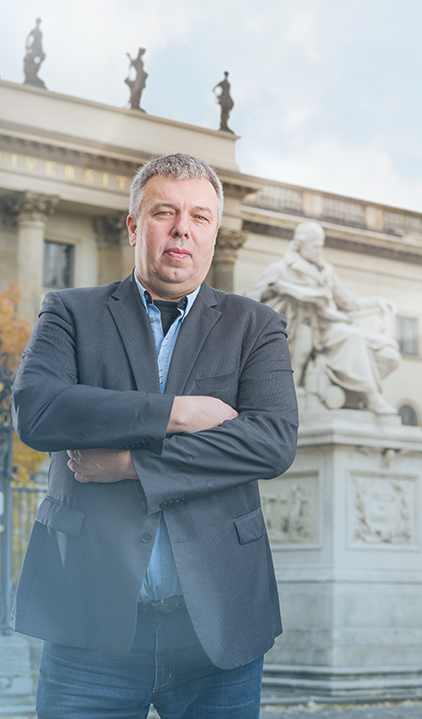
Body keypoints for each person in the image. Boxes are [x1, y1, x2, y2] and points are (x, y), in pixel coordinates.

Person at [11, 153, 298, 719]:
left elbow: (271, 441)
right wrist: (178, 413)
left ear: (214, 232)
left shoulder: (255, 326)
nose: (182, 229)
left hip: (218, 628)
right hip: (90, 624)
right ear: (134, 225)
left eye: (199, 216)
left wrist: (130, 466)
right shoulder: (70, 312)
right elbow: (38, 410)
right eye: (165, 212)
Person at [246, 220, 400, 415]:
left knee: (388, 351)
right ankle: (371, 398)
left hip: (328, 325)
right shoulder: (280, 269)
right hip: (303, 328)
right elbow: (251, 298)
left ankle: (353, 396)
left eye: (321, 245)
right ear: (300, 244)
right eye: (314, 246)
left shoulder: (326, 271)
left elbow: (349, 302)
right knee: (352, 337)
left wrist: (377, 302)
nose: (319, 250)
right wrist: (274, 294)